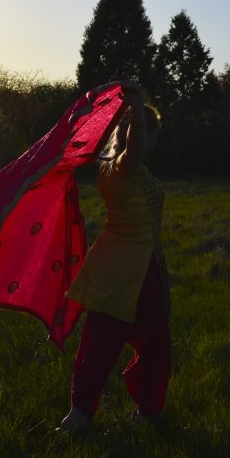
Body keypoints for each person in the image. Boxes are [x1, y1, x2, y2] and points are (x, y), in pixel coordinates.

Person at [57, 80, 171, 433]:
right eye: (150, 136)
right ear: (140, 134)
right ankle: (138, 411)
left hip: (117, 264)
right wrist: (137, 109)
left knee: (101, 343)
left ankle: (83, 414)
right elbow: (136, 148)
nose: (151, 143)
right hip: (132, 270)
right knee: (148, 345)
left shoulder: (110, 167)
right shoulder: (125, 165)